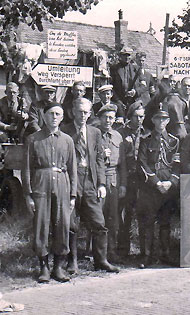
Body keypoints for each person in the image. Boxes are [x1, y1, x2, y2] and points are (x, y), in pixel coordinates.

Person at [61, 97, 119, 273]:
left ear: (89, 113)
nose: (82, 116)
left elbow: (100, 160)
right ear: (72, 112)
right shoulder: (64, 131)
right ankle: (72, 262)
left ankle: (101, 260)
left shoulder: (95, 133)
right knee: (71, 223)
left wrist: (101, 183)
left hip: (90, 181)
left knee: (99, 222)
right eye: (79, 112)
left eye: (86, 112)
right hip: (71, 180)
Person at [22, 103, 77, 283]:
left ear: (62, 118)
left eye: (58, 114)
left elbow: (72, 168)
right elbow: (27, 169)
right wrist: (28, 195)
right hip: (41, 184)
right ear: (44, 116)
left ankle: (58, 267)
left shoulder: (67, 140)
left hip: (62, 184)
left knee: (62, 224)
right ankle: (44, 267)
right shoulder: (33, 139)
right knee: (41, 225)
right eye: (51, 113)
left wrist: (73, 195)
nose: (54, 117)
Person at [137, 108, 180, 266]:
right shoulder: (146, 140)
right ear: (153, 121)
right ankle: (147, 255)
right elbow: (141, 164)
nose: (161, 122)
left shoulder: (174, 141)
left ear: (168, 121)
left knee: (165, 221)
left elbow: (177, 164)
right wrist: (156, 183)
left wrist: (171, 182)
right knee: (148, 222)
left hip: (168, 187)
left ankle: (165, 254)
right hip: (152, 188)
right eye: (157, 119)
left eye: (164, 119)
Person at [117, 101, 150, 256]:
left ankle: (144, 252)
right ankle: (123, 250)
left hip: (142, 180)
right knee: (125, 214)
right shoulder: (120, 133)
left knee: (143, 213)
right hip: (127, 177)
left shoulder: (147, 134)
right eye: (136, 116)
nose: (139, 120)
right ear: (129, 117)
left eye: (142, 116)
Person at [97, 104, 127, 262]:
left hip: (114, 179)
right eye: (105, 117)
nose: (108, 120)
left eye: (111, 117)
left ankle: (112, 251)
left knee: (113, 218)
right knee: (98, 217)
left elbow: (122, 164)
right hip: (98, 180)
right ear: (100, 118)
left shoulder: (118, 136)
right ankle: (96, 252)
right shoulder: (94, 134)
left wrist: (123, 185)